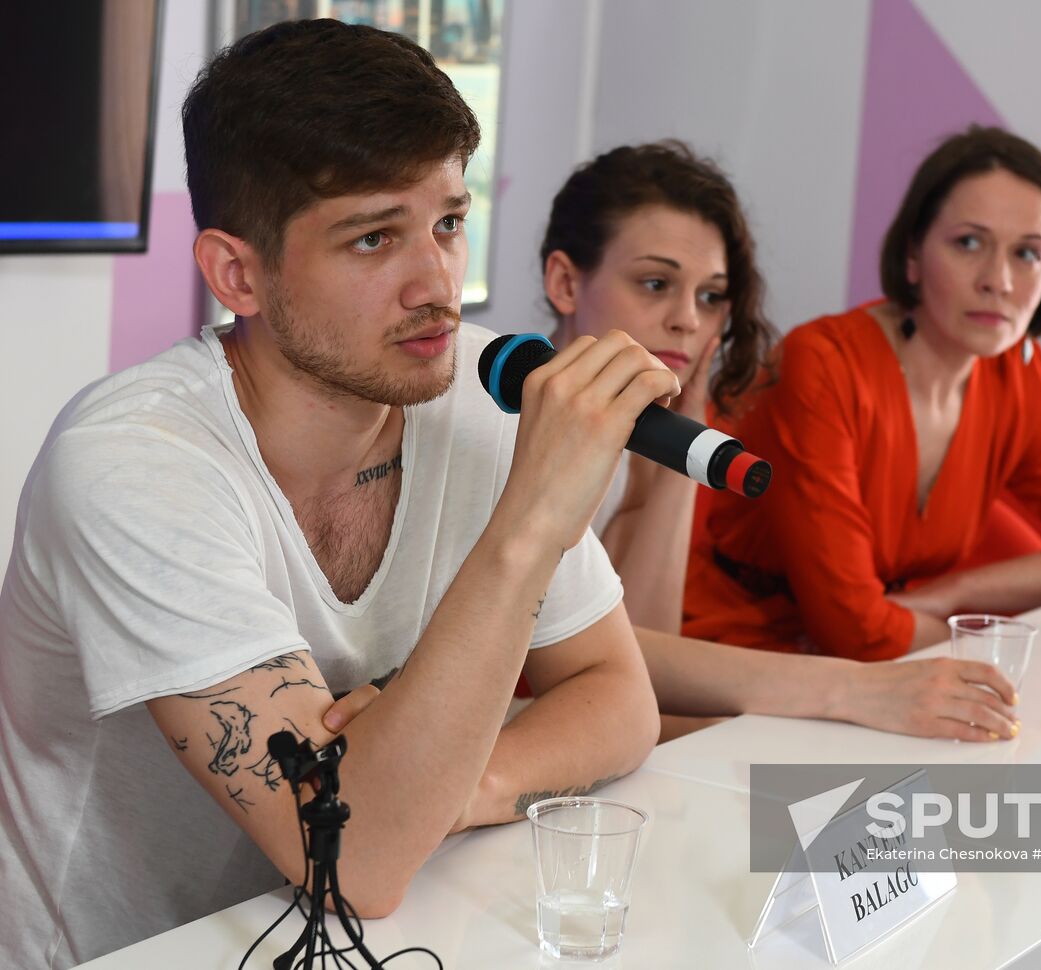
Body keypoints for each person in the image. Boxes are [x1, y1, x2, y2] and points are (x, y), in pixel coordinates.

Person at [0, 21, 665, 968]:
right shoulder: (131, 461)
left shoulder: (470, 387)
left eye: (447, 222)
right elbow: (350, 860)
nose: (438, 283)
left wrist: (453, 790)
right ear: (239, 272)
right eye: (373, 238)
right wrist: (532, 520)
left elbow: (617, 700)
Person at [536, 142, 1021, 741]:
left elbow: (632, 662)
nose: (689, 319)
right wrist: (847, 690)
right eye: (656, 283)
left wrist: (685, 444)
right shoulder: (511, 431)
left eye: (711, 297)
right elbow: (602, 673)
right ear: (564, 282)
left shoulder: (639, 431)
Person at [684, 126, 1041, 662]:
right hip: (737, 647)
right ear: (913, 253)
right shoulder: (824, 363)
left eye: (1028, 254)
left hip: (893, 654)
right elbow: (852, 630)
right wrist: (989, 648)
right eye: (969, 243)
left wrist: (951, 596)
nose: (999, 280)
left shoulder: (1019, 376)